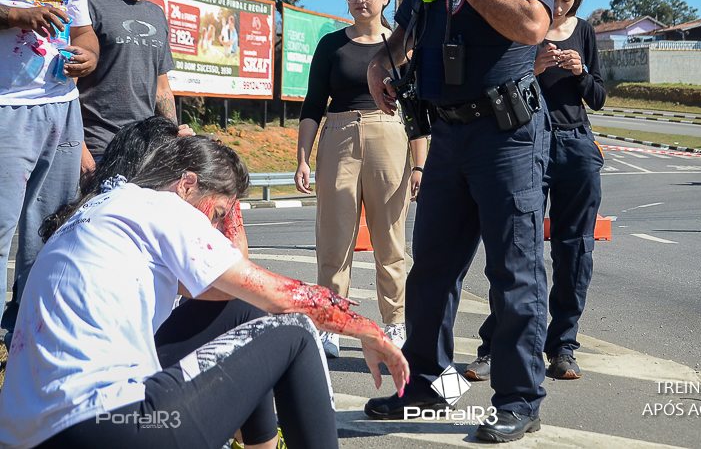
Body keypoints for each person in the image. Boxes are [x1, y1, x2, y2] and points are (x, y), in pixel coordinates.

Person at [0, 135, 409, 448]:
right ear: (186, 184)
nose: (215, 230)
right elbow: (280, 296)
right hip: (114, 425)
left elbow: (233, 297)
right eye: (217, 215)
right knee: (296, 331)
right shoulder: (161, 208)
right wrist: (367, 330)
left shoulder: (100, 212)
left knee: (242, 314)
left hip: (28, 435)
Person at [364, 0, 556, 442]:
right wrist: (383, 62)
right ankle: (427, 386)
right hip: (445, 134)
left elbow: (532, 25)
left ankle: (519, 400)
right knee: (432, 270)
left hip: (507, 136)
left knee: (514, 270)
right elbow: (408, 31)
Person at [40, 116, 281, 449]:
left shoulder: (99, 211)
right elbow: (240, 280)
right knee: (254, 318)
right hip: (105, 403)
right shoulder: (152, 211)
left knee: (243, 312)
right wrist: (225, 182)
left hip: (45, 407)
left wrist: (223, 185)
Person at [465, 0, 606, 383]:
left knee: (574, 250)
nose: (559, 7)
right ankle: (495, 347)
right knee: (515, 250)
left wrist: (581, 73)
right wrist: (534, 68)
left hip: (576, 145)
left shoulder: (585, 32)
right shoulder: (521, 27)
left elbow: (599, 97)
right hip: (525, 143)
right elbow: (494, 86)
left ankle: (563, 347)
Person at [295, 0, 427, 357]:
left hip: (389, 133)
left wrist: (419, 164)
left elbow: (416, 109)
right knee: (334, 239)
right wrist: (302, 158)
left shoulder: (401, 47)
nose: (359, 0)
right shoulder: (331, 45)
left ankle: (395, 323)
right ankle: (330, 323)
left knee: (391, 240)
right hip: (338, 135)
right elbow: (312, 104)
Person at [0, 0, 99, 345]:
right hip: (7, 107)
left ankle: (26, 339)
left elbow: (84, 33)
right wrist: (16, 14)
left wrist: (89, 57)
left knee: (52, 229)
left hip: (62, 106)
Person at [78, 0, 192, 172]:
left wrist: (173, 133)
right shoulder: (90, 4)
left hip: (146, 147)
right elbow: (68, 85)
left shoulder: (156, 14)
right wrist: (79, 148)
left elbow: (162, 87)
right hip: (99, 146)